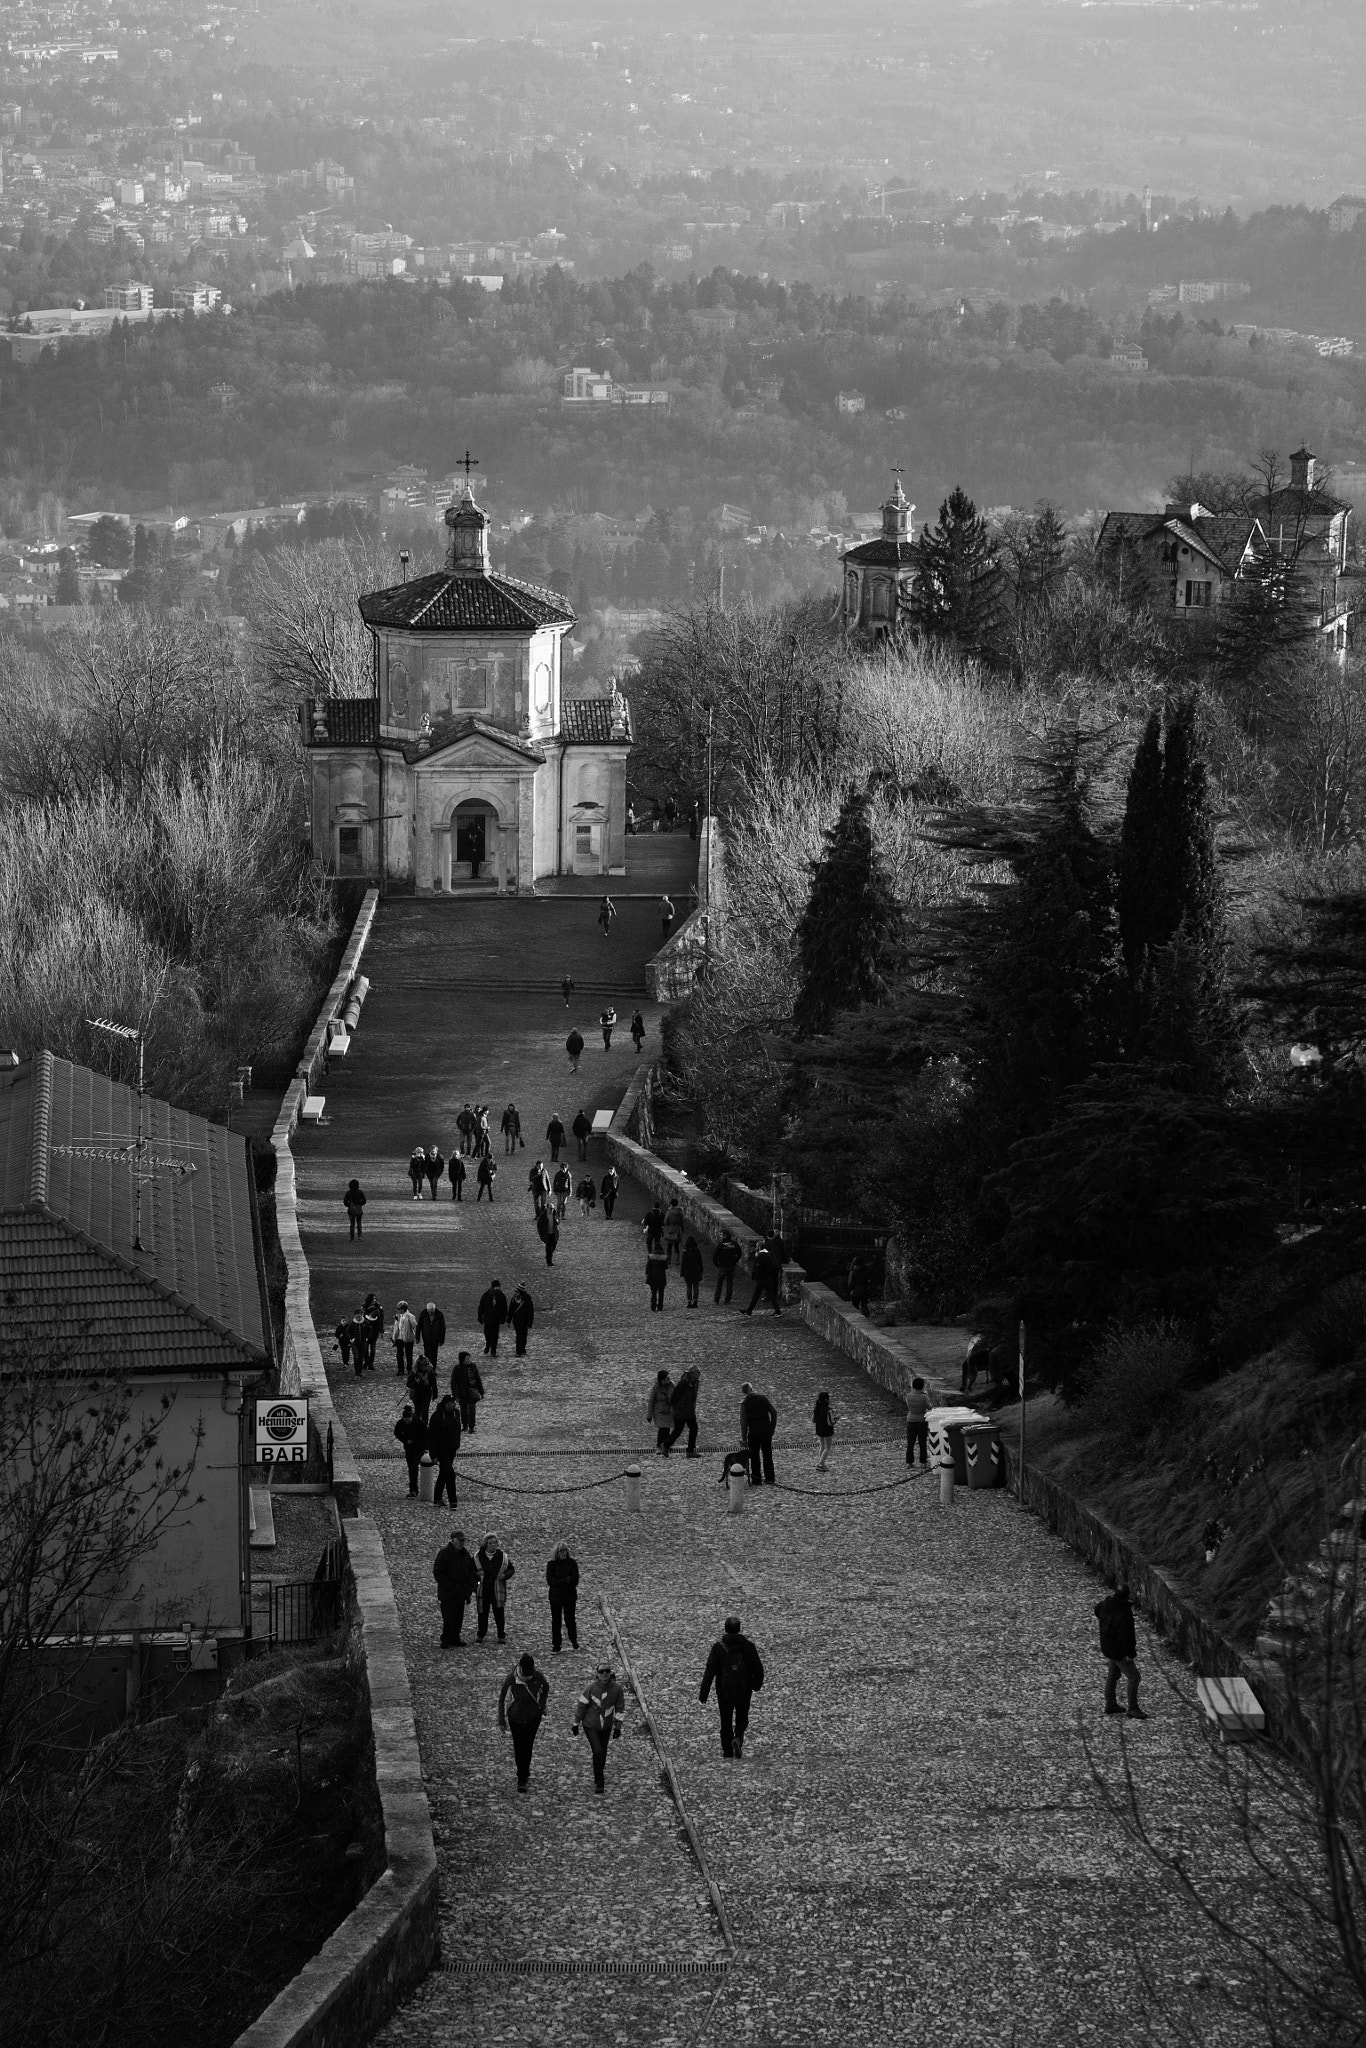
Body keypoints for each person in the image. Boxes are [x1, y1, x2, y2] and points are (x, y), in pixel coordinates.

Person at [699, 1616, 765, 1760]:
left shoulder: (718, 1648)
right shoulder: (748, 1647)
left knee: (726, 1721)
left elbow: (710, 1670)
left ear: (726, 1628)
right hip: (744, 1690)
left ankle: (728, 1752)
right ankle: (738, 1738)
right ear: (739, 1628)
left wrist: (704, 1692)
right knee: (742, 1719)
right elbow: (758, 1670)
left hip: (724, 1691)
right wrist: (756, 1685)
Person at [499, 1652, 551, 1792]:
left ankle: (523, 1774)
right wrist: (501, 1721)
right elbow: (502, 1699)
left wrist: (541, 1703)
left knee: (527, 1745)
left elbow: (545, 1688)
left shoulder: (537, 1676)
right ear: (520, 1668)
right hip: (515, 1718)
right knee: (518, 1746)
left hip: (533, 1717)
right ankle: (522, 1773)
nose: (528, 1674)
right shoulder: (511, 1678)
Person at [573, 1663, 626, 1794]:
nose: (604, 1674)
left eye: (607, 1671)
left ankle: (599, 1772)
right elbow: (582, 1706)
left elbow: (620, 1708)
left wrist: (617, 1727)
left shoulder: (617, 1689)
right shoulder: (590, 1688)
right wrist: (576, 1723)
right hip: (590, 1725)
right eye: (601, 1671)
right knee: (597, 1751)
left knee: (603, 1752)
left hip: (606, 1727)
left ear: (610, 1673)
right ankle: (599, 1781)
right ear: (597, 1674)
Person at [1095, 1583, 1146, 1720]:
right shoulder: (1123, 1613)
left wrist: (1105, 1625)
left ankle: (1111, 1704)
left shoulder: (1106, 1605)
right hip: (1118, 1651)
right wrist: (1129, 1654)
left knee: (1113, 1674)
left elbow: (1097, 1610)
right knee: (1134, 1677)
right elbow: (1125, 1637)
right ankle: (1133, 1708)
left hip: (1109, 1647)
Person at [433, 1527, 479, 1647]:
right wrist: (449, 1585)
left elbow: (470, 1570)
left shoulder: (464, 1554)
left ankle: (455, 1638)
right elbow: (438, 1573)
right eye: (459, 1541)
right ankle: (446, 1639)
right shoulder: (444, 1554)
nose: (461, 1543)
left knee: (458, 1617)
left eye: (463, 1541)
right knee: (448, 1617)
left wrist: (469, 1586)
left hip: (460, 1592)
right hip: (448, 1592)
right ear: (452, 1540)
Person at [476, 1532, 514, 1643]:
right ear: (486, 1544)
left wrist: (505, 1575)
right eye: (490, 1543)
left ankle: (501, 1635)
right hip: (484, 1589)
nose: (493, 1544)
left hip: (497, 1589)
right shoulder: (478, 1556)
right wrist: (476, 1577)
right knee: (482, 1613)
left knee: (499, 1613)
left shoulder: (503, 1557)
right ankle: (481, 1634)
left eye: (494, 1542)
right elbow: (472, 1570)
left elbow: (511, 1569)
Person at [427, 1392, 462, 1507]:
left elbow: (457, 1431)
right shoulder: (437, 1416)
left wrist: (456, 1445)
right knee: (450, 1474)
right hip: (441, 1450)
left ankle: (437, 1498)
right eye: (450, 1403)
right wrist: (433, 1455)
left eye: (453, 1403)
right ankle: (453, 1500)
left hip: (451, 1449)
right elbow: (431, 1437)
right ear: (446, 1404)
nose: (453, 1405)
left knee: (443, 1474)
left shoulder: (456, 1414)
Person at [740, 1382, 778, 1486]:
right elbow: (774, 1412)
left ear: (743, 1392)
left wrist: (744, 1439)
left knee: (754, 1456)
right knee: (767, 1455)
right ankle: (770, 1478)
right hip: (766, 1431)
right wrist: (772, 1427)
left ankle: (757, 1479)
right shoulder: (763, 1399)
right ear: (752, 1389)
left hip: (754, 1433)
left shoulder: (745, 1404)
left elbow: (744, 1422)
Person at [546, 1541, 580, 1652]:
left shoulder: (572, 1563)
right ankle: (556, 1644)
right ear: (557, 1552)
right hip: (556, 1597)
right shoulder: (551, 1564)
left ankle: (574, 1640)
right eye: (561, 1551)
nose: (564, 1553)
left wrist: (561, 1582)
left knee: (570, 1619)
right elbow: (551, 1581)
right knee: (556, 1621)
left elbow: (575, 1580)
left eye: (565, 1550)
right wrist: (565, 1580)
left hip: (569, 1596)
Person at [744, 1240, 782, 1317]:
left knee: (756, 1295)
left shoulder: (761, 1256)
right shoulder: (768, 1254)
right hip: (767, 1278)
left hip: (762, 1279)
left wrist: (756, 1276)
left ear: (759, 1247)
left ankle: (749, 1311)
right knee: (771, 1295)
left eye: (757, 1246)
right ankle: (777, 1311)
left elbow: (758, 1268)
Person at [394, 1400, 426, 1495]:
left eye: (408, 1419)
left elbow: (425, 1435)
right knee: (411, 1468)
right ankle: (413, 1489)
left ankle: (414, 1489)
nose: (407, 1421)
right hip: (409, 1449)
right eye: (405, 1419)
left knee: (413, 1467)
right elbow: (397, 1432)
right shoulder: (401, 1423)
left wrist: (422, 1445)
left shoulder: (419, 1423)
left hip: (418, 1449)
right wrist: (405, 1440)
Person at [669, 1364, 701, 1456]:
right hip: (681, 1412)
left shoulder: (695, 1382)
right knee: (678, 1431)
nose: (700, 1374)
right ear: (692, 1374)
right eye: (698, 1372)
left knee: (694, 1429)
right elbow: (674, 1398)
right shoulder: (683, 1384)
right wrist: (678, 1408)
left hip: (689, 1412)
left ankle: (690, 1450)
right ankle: (666, 1445)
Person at [451, 1349, 484, 1433]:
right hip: (462, 1393)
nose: (468, 1360)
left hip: (472, 1391)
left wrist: (481, 1391)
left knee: (472, 1410)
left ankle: (471, 1426)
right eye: (466, 1359)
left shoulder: (473, 1366)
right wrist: (455, 1395)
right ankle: (465, 1425)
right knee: (464, 1410)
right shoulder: (457, 1368)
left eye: (469, 1358)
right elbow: (453, 1383)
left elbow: (477, 1379)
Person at [646, 1368, 675, 1454]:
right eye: (667, 1378)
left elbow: (676, 1396)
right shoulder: (655, 1388)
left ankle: (666, 1445)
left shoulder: (671, 1385)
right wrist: (649, 1415)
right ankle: (660, 1445)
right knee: (662, 1429)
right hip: (659, 1412)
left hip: (668, 1411)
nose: (669, 1380)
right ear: (662, 1380)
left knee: (667, 1428)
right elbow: (651, 1401)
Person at [406, 1354, 438, 1429]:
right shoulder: (414, 1372)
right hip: (417, 1393)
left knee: (425, 1410)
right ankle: (417, 1425)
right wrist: (416, 1382)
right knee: (417, 1410)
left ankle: (424, 1426)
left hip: (426, 1393)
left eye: (427, 1364)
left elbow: (433, 1383)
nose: (425, 1366)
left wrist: (435, 1394)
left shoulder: (430, 1371)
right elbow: (409, 1384)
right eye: (423, 1365)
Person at [478, 1278, 508, 1356]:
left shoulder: (501, 1296)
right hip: (487, 1318)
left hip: (496, 1319)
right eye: (496, 1287)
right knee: (487, 1334)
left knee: (495, 1336)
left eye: (498, 1287)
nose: (497, 1289)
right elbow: (481, 1306)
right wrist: (480, 1317)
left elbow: (504, 1308)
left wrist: (503, 1318)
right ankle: (488, 1345)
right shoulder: (486, 1295)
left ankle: (493, 1351)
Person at [905, 1377, 930, 1468]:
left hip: (911, 1420)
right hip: (921, 1421)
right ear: (922, 1386)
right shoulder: (924, 1397)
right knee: (922, 1442)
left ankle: (909, 1462)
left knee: (910, 1443)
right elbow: (929, 1407)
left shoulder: (908, 1396)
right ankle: (923, 1462)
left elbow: (909, 1406)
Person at [713, 1229, 742, 1305]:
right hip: (731, 1266)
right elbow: (739, 1253)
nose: (720, 1236)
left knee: (719, 1283)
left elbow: (715, 1256)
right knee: (729, 1283)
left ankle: (717, 1299)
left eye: (721, 1234)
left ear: (724, 1235)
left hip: (722, 1266)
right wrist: (735, 1261)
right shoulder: (734, 1244)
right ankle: (727, 1300)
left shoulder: (720, 1245)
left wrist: (717, 1264)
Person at [416, 1299, 446, 1367]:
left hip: (436, 1338)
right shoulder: (423, 1313)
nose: (431, 1313)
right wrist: (417, 1337)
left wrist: (441, 1340)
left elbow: (442, 1328)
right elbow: (419, 1325)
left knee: (434, 1354)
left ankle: (433, 1367)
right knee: (427, 1354)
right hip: (426, 1338)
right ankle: (427, 1367)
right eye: (429, 1312)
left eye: (432, 1312)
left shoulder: (439, 1314)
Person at [392, 1299, 417, 1377]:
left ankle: (409, 1369)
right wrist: (394, 1337)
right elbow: (396, 1328)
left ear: (403, 1309)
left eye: (399, 1309)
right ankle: (401, 1370)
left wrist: (415, 1336)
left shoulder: (410, 1316)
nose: (398, 1310)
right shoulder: (398, 1316)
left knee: (408, 1354)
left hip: (409, 1338)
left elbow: (415, 1326)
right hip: (400, 1338)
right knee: (399, 1354)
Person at [508, 1283, 534, 1357]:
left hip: (524, 1321)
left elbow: (530, 1311)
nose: (516, 1292)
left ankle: (522, 1349)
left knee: (524, 1335)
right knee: (519, 1335)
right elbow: (511, 1309)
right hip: (517, 1321)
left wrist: (529, 1323)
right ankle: (519, 1351)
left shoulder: (527, 1298)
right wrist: (509, 1320)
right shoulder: (514, 1298)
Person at [813, 1390, 837, 1472]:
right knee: (827, 1447)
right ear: (826, 1400)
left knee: (822, 1446)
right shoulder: (829, 1410)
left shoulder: (817, 1408)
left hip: (819, 1429)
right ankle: (820, 1464)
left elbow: (813, 1420)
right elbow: (831, 1422)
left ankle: (822, 1464)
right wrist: (836, 1419)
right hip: (827, 1430)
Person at [360, 1294, 384, 1371]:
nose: (375, 1300)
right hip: (366, 1330)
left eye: (375, 1298)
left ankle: (370, 1363)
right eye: (373, 1298)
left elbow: (381, 1320)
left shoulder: (379, 1308)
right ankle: (367, 1362)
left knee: (373, 1348)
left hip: (375, 1330)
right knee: (365, 1347)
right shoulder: (364, 1307)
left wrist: (381, 1331)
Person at [680, 1235, 704, 1308]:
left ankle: (689, 1302)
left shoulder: (685, 1251)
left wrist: (682, 1272)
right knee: (696, 1287)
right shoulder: (697, 1251)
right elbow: (700, 1262)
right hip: (696, 1271)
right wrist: (701, 1270)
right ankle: (695, 1302)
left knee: (689, 1287)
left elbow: (683, 1263)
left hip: (688, 1272)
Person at [335, 1308, 359, 1373]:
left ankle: (346, 1362)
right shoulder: (339, 1328)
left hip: (348, 1342)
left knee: (347, 1352)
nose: (344, 1322)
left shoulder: (349, 1327)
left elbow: (351, 1333)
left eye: (345, 1320)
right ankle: (345, 1362)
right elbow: (336, 1334)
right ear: (341, 1321)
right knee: (343, 1352)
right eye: (343, 1320)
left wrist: (351, 1340)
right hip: (342, 1342)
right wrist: (339, 1336)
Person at [662, 1199, 685, 1268]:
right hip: (677, 1230)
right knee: (676, 1246)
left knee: (669, 1245)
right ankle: (677, 1261)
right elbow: (681, 1222)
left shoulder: (669, 1212)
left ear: (671, 1204)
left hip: (670, 1229)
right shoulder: (680, 1212)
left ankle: (669, 1260)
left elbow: (665, 1222)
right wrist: (682, 1229)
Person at [646, 1243, 668, 1312]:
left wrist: (647, 1273)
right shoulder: (664, 1257)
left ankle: (653, 1306)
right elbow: (666, 1267)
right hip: (661, 1277)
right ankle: (660, 1307)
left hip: (652, 1277)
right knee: (661, 1293)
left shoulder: (651, 1257)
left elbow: (648, 1267)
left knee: (653, 1293)